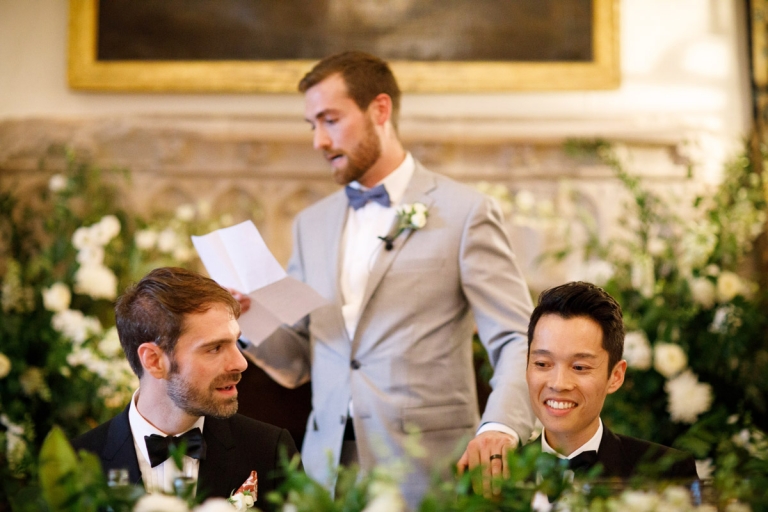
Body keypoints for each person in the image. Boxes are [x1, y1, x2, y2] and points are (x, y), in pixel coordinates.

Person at [235, 51, 535, 507]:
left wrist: (500, 426)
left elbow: (516, 337)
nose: (318, 140)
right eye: (311, 125)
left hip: (428, 467)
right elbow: (297, 360)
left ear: (380, 110)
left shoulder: (465, 213)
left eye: (330, 120)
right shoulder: (309, 224)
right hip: (327, 470)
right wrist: (247, 319)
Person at [71, 267, 298, 505]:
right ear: (154, 360)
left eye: (235, 342)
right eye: (214, 348)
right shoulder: (78, 465)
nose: (240, 363)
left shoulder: (270, 450)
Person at [526, 281, 698, 479]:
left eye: (579, 367)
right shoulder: (497, 474)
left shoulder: (668, 471)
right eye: (542, 364)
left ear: (615, 376)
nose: (558, 384)